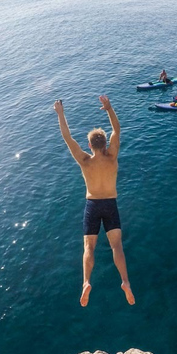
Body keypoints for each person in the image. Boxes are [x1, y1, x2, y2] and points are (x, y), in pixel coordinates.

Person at [54, 96, 135, 307]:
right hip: (110, 203)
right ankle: (125, 281)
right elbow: (117, 130)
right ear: (105, 143)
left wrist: (61, 113)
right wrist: (109, 108)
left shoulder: (84, 160)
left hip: (92, 205)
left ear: (89, 145)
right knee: (117, 246)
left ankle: (86, 282)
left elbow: (66, 137)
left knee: (89, 247)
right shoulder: (112, 157)